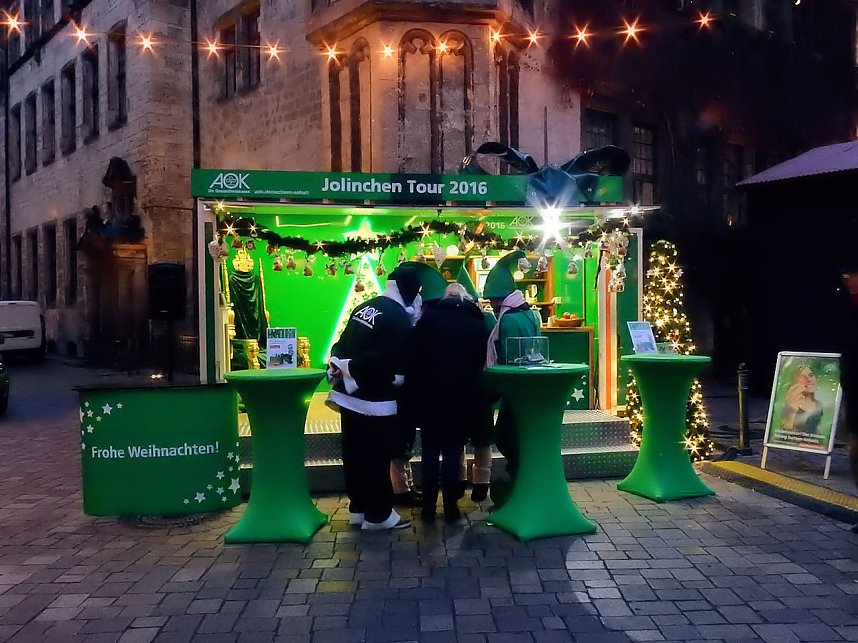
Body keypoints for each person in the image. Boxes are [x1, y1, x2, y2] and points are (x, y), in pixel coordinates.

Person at [326, 266, 421, 531]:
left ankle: (358, 507)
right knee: (377, 458)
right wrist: (356, 369)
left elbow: (341, 342)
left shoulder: (364, 306)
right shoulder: (399, 319)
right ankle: (378, 514)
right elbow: (389, 362)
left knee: (354, 454)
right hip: (377, 400)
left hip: (347, 397)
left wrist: (339, 365)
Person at [406, 283, 490, 522]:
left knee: (430, 452)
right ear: (464, 298)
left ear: (444, 298)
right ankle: (451, 506)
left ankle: (429, 506)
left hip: (430, 397)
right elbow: (480, 362)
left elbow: (415, 359)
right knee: (454, 451)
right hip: (462, 397)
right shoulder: (476, 323)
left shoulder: (427, 321)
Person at [482, 250, 542, 506]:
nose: (493, 307)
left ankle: (515, 485)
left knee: (506, 436)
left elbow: (505, 358)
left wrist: (494, 388)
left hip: (514, 392)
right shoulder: (530, 314)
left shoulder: (506, 321)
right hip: (531, 390)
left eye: (493, 302)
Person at [389, 262, 449, 507]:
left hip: (408, 387)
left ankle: (404, 486)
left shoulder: (404, 312)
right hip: (404, 387)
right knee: (401, 440)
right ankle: (401, 489)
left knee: (403, 439)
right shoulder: (403, 315)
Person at [457, 265, 496, 501]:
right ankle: (482, 481)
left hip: (459, 390)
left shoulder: (449, 321)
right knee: (482, 439)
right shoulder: (487, 320)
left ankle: (461, 479)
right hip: (481, 388)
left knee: (459, 439)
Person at [837, 262, 858, 532]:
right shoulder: (846, 306)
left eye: (851, 275)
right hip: (855, 387)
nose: (848, 281)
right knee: (855, 447)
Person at [780, 365, 824, 434]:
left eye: (811, 375)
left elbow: (817, 430)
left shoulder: (819, 405)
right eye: (803, 378)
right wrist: (792, 410)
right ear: (795, 383)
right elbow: (784, 434)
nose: (809, 379)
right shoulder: (789, 405)